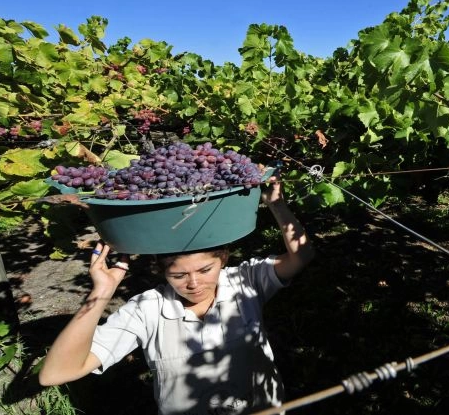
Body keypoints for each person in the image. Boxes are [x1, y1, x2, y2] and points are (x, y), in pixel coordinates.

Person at [38, 173, 314, 415]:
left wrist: (276, 205)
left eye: (206, 269)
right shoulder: (146, 310)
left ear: (224, 259)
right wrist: (101, 292)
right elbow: (57, 373)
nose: (194, 283)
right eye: (179, 275)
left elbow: (301, 256)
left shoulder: (245, 282)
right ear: (160, 270)